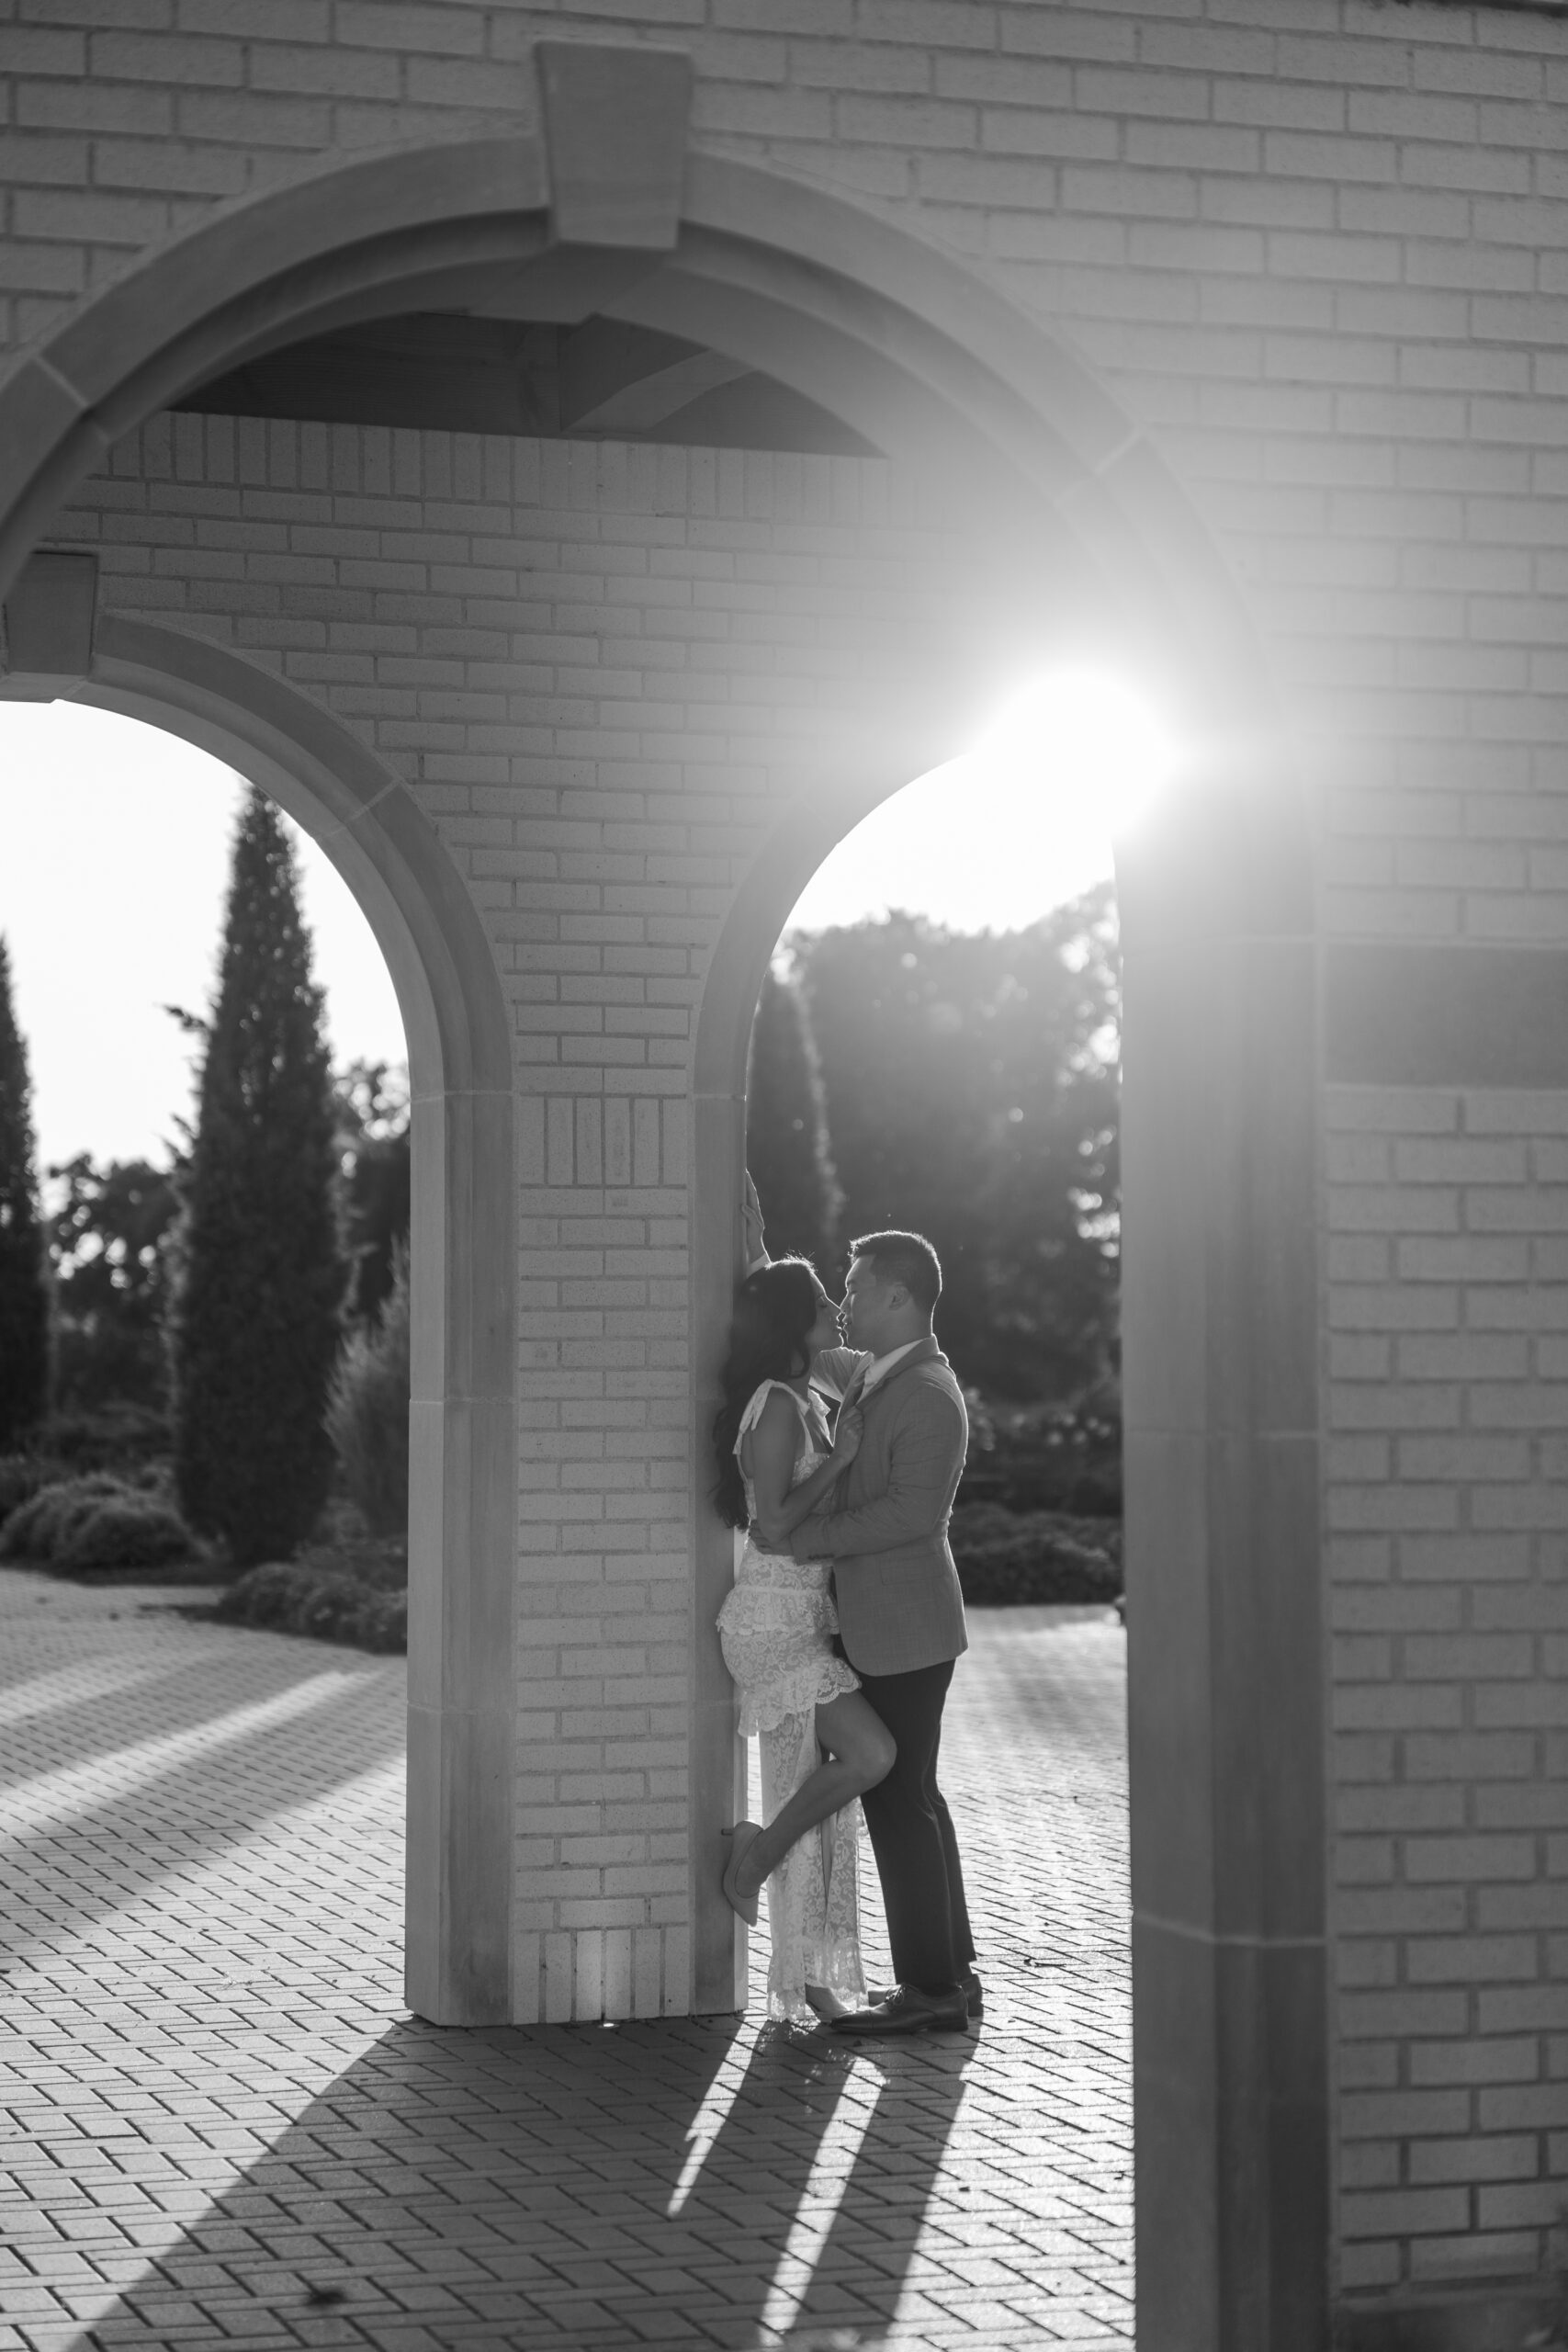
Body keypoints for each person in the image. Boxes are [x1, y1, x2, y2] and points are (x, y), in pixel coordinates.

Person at [779, 1219, 979, 2039]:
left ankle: (930, 1990)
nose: (844, 1302)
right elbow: (802, 1337)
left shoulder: (927, 1393)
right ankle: (952, 1975)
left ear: (898, 1297)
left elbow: (909, 1515)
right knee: (914, 1796)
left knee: (899, 1801)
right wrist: (754, 1247)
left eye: (855, 1288)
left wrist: (802, 1537)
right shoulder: (871, 1370)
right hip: (893, 1626)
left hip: (905, 1630)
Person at [712, 1249, 897, 2024]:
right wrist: (842, 1459)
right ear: (794, 1320)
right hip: (770, 1624)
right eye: (822, 1302)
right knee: (869, 1756)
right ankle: (752, 1858)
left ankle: (821, 1984)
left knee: (822, 1806)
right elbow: (778, 1523)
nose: (835, 1311)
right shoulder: (778, 1405)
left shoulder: (810, 1394)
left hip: (802, 1623)